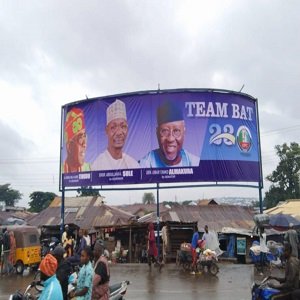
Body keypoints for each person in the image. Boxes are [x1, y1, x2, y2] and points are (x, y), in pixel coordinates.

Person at [139, 101, 200, 168]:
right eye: (165, 131)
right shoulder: (144, 165)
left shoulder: (196, 164)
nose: (170, 139)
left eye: (176, 131)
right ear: (157, 133)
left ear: (184, 132)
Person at [92, 99, 139, 170]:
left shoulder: (133, 165)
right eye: (113, 127)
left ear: (127, 129)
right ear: (106, 131)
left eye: (123, 126)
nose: (119, 132)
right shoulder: (97, 166)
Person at [63, 107, 91, 173]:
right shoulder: (62, 171)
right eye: (80, 138)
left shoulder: (88, 169)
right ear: (69, 147)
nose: (85, 144)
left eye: (85, 137)